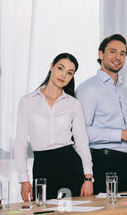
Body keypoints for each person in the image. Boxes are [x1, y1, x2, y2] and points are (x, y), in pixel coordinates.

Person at [76, 34, 127, 208]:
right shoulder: (88, 89)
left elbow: (126, 127)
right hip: (103, 164)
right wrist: (122, 134)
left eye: (122, 53)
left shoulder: (125, 90)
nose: (118, 57)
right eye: (113, 51)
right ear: (101, 54)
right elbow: (82, 133)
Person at [15, 53, 94, 202]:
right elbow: (20, 143)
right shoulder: (27, 101)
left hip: (70, 165)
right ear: (51, 66)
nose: (63, 75)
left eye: (69, 73)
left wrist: (88, 178)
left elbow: (82, 143)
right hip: (42, 166)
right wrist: (23, 180)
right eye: (60, 68)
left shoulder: (73, 104)